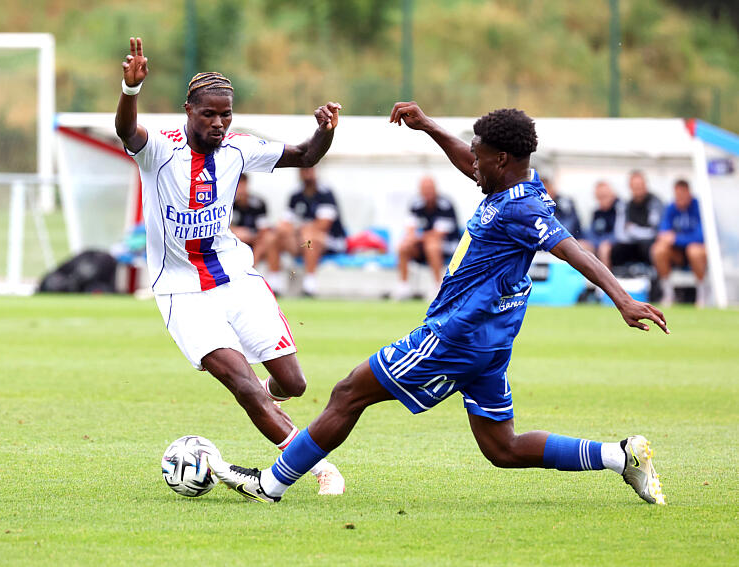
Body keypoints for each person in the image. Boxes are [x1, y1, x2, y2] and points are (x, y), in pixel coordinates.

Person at [210, 103, 668, 506]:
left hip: (456, 335)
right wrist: (428, 126)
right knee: (501, 448)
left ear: (502, 159)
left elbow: (573, 250)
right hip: (488, 340)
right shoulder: (518, 185)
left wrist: (623, 299)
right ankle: (620, 455)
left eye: (479, 155)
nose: (472, 161)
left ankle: (270, 484)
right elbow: (471, 164)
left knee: (349, 392)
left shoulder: (522, 210)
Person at [114, 37, 345, 495]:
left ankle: (262, 399)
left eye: (226, 115)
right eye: (209, 114)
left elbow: (304, 155)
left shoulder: (238, 148)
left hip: (236, 280)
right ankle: (316, 467)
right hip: (182, 291)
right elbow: (127, 132)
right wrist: (130, 90)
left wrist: (325, 131)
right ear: (188, 111)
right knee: (242, 383)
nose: (219, 123)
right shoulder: (160, 150)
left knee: (292, 384)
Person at [275, 167, 348, 297]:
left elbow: (323, 225)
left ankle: (310, 285)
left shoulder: (325, 194)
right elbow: (284, 224)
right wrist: (293, 232)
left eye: (309, 170)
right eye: (304, 170)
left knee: (309, 237)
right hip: (301, 239)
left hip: (332, 241)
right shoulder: (295, 195)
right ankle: (274, 283)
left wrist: (298, 229)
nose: (307, 173)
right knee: (274, 236)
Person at [393, 175, 460, 300]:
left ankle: (437, 285)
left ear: (435, 189)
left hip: (447, 245)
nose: (427, 191)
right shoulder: (416, 204)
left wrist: (417, 238)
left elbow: (438, 234)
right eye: (424, 188)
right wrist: (411, 238)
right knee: (404, 246)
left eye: (430, 188)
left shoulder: (446, 205)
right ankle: (403, 286)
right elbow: (410, 228)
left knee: (432, 245)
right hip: (423, 245)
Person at [650, 179, 707, 307]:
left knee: (694, 250)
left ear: (689, 193)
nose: (679, 198)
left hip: (697, 253)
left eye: (682, 195)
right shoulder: (671, 208)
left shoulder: (700, 207)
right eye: (677, 195)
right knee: (659, 249)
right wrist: (670, 238)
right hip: (678, 254)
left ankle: (702, 294)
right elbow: (663, 233)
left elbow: (701, 236)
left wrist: (676, 239)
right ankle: (668, 293)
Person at [229, 173, 281, 281]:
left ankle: (255, 273)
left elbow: (264, 228)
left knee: (269, 239)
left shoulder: (258, 203)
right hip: (234, 241)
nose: (240, 188)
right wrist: (235, 231)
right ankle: (248, 274)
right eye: (238, 185)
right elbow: (223, 228)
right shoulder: (227, 203)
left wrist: (251, 236)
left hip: (255, 241)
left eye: (242, 184)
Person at [609, 171, 663, 272]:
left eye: (640, 185)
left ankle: (655, 280)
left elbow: (654, 232)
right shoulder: (627, 205)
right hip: (633, 242)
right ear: (630, 187)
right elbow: (620, 234)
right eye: (635, 186)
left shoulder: (655, 202)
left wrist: (633, 229)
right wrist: (632, 231)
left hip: (649, 244)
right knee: (616, 250)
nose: (638, 188)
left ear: (645, 185)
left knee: (649, 248)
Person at [581, 180, 622, 268]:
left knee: (604, 248)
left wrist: (605, 242)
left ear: (612, 194)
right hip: (599, 243)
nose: (602, 199)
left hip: (617, 244)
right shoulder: (597, 212)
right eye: (599, 197)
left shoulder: (620, 209)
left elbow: (620, 232)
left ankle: (606, 280)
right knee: (580, 245)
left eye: (604, 196)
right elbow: (590, 233)